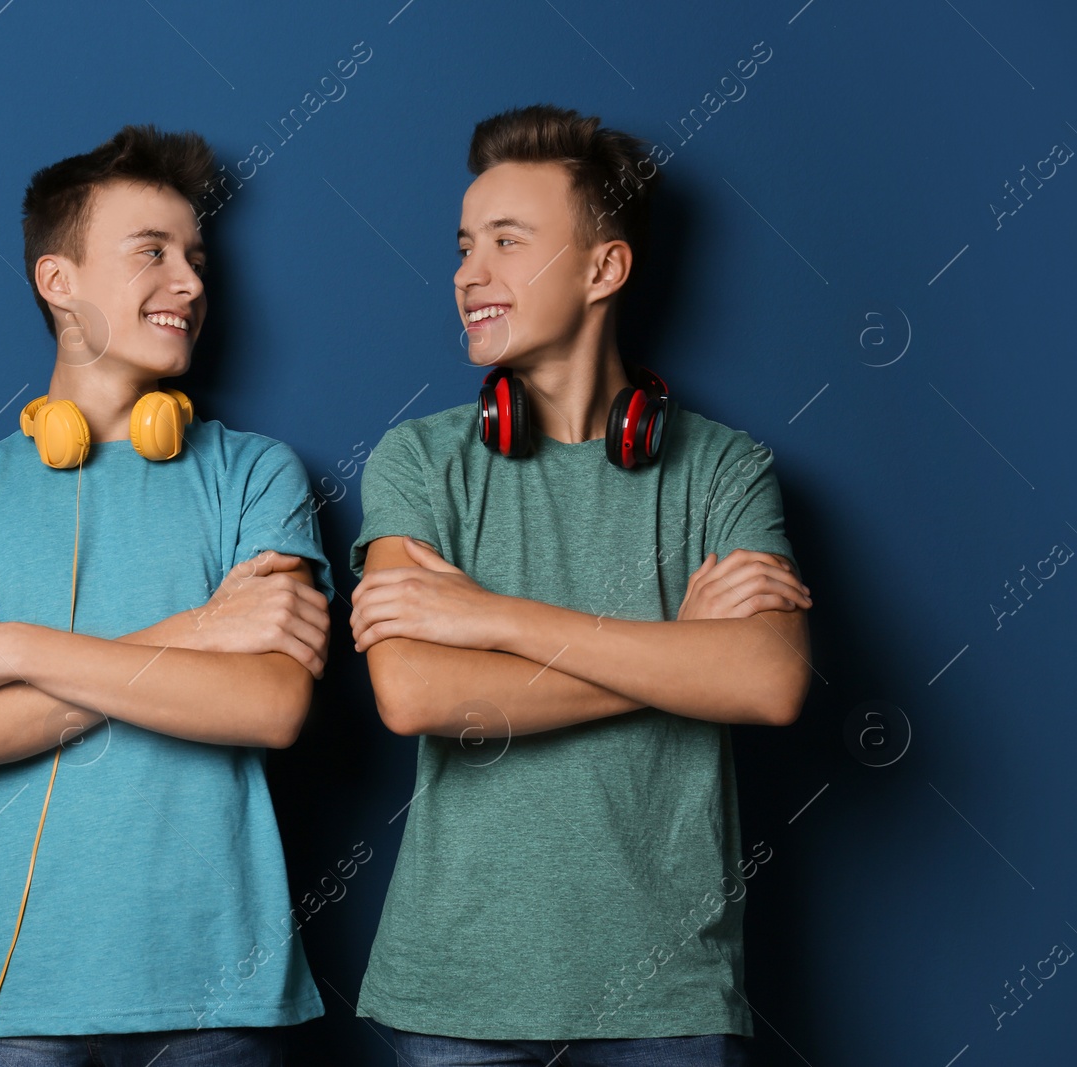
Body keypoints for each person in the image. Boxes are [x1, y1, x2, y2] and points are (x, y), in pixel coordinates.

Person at [346, 104, 814, 1067]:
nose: (468, 273)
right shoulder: (417, 462)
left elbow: (767, 681)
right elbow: (417, 694)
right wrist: (678, 657)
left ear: (605, 268)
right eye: (465, 245)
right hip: (454, 995)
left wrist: (490, 617)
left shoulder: (726, 470)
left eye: (508, 243)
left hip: (668, 999)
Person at [0, 125, 334, 1067]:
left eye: (196, 258)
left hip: (221, 992)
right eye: (152, 253)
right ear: (59, 281)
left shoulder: (256, 473)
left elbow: (271, 703)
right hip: (19, 1002)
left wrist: (8, 648)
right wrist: (202, 630)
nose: (192, 283)